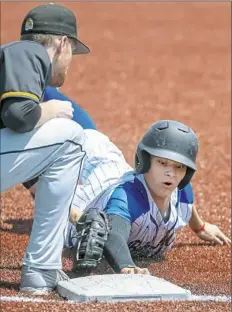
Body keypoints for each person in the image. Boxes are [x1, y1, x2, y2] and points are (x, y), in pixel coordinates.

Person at [0, 3, 90, 294]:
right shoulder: (30, 53)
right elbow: (18, 116)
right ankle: (42, 267)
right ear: (63, 43)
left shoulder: (13, 58)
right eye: (72, 52)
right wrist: (49, 110)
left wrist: (38, 182)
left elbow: (11, 137)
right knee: (72, 136)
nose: (70, 62)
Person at [66, 120, 231, 275]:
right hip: (95, 190)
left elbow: (186, 203)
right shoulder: (127, 197)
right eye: (162, 162)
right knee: (84, 138)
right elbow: (114, 234)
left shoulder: (181, 191)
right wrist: (126, 266)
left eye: (179, 166)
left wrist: (200, 227)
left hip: (118, 175)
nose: (171, 173)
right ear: (145, 161)